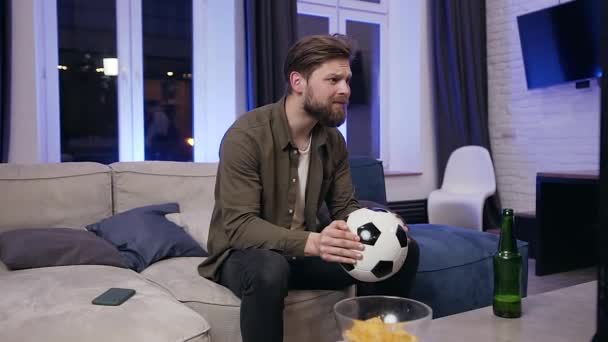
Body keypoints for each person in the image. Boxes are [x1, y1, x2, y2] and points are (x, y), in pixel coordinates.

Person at [198, 34, 420, 342]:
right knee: (270, 268)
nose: (345, 90)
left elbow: (345, 209)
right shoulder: (245, 136)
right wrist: (314, 243)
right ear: (298, 82)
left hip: (303, 256)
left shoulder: (333, 141)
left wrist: (381, 223)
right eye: (333, 80)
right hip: (243, 255)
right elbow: (239, 227)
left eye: (347, 79)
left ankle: (371, 336)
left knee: (406, 252)